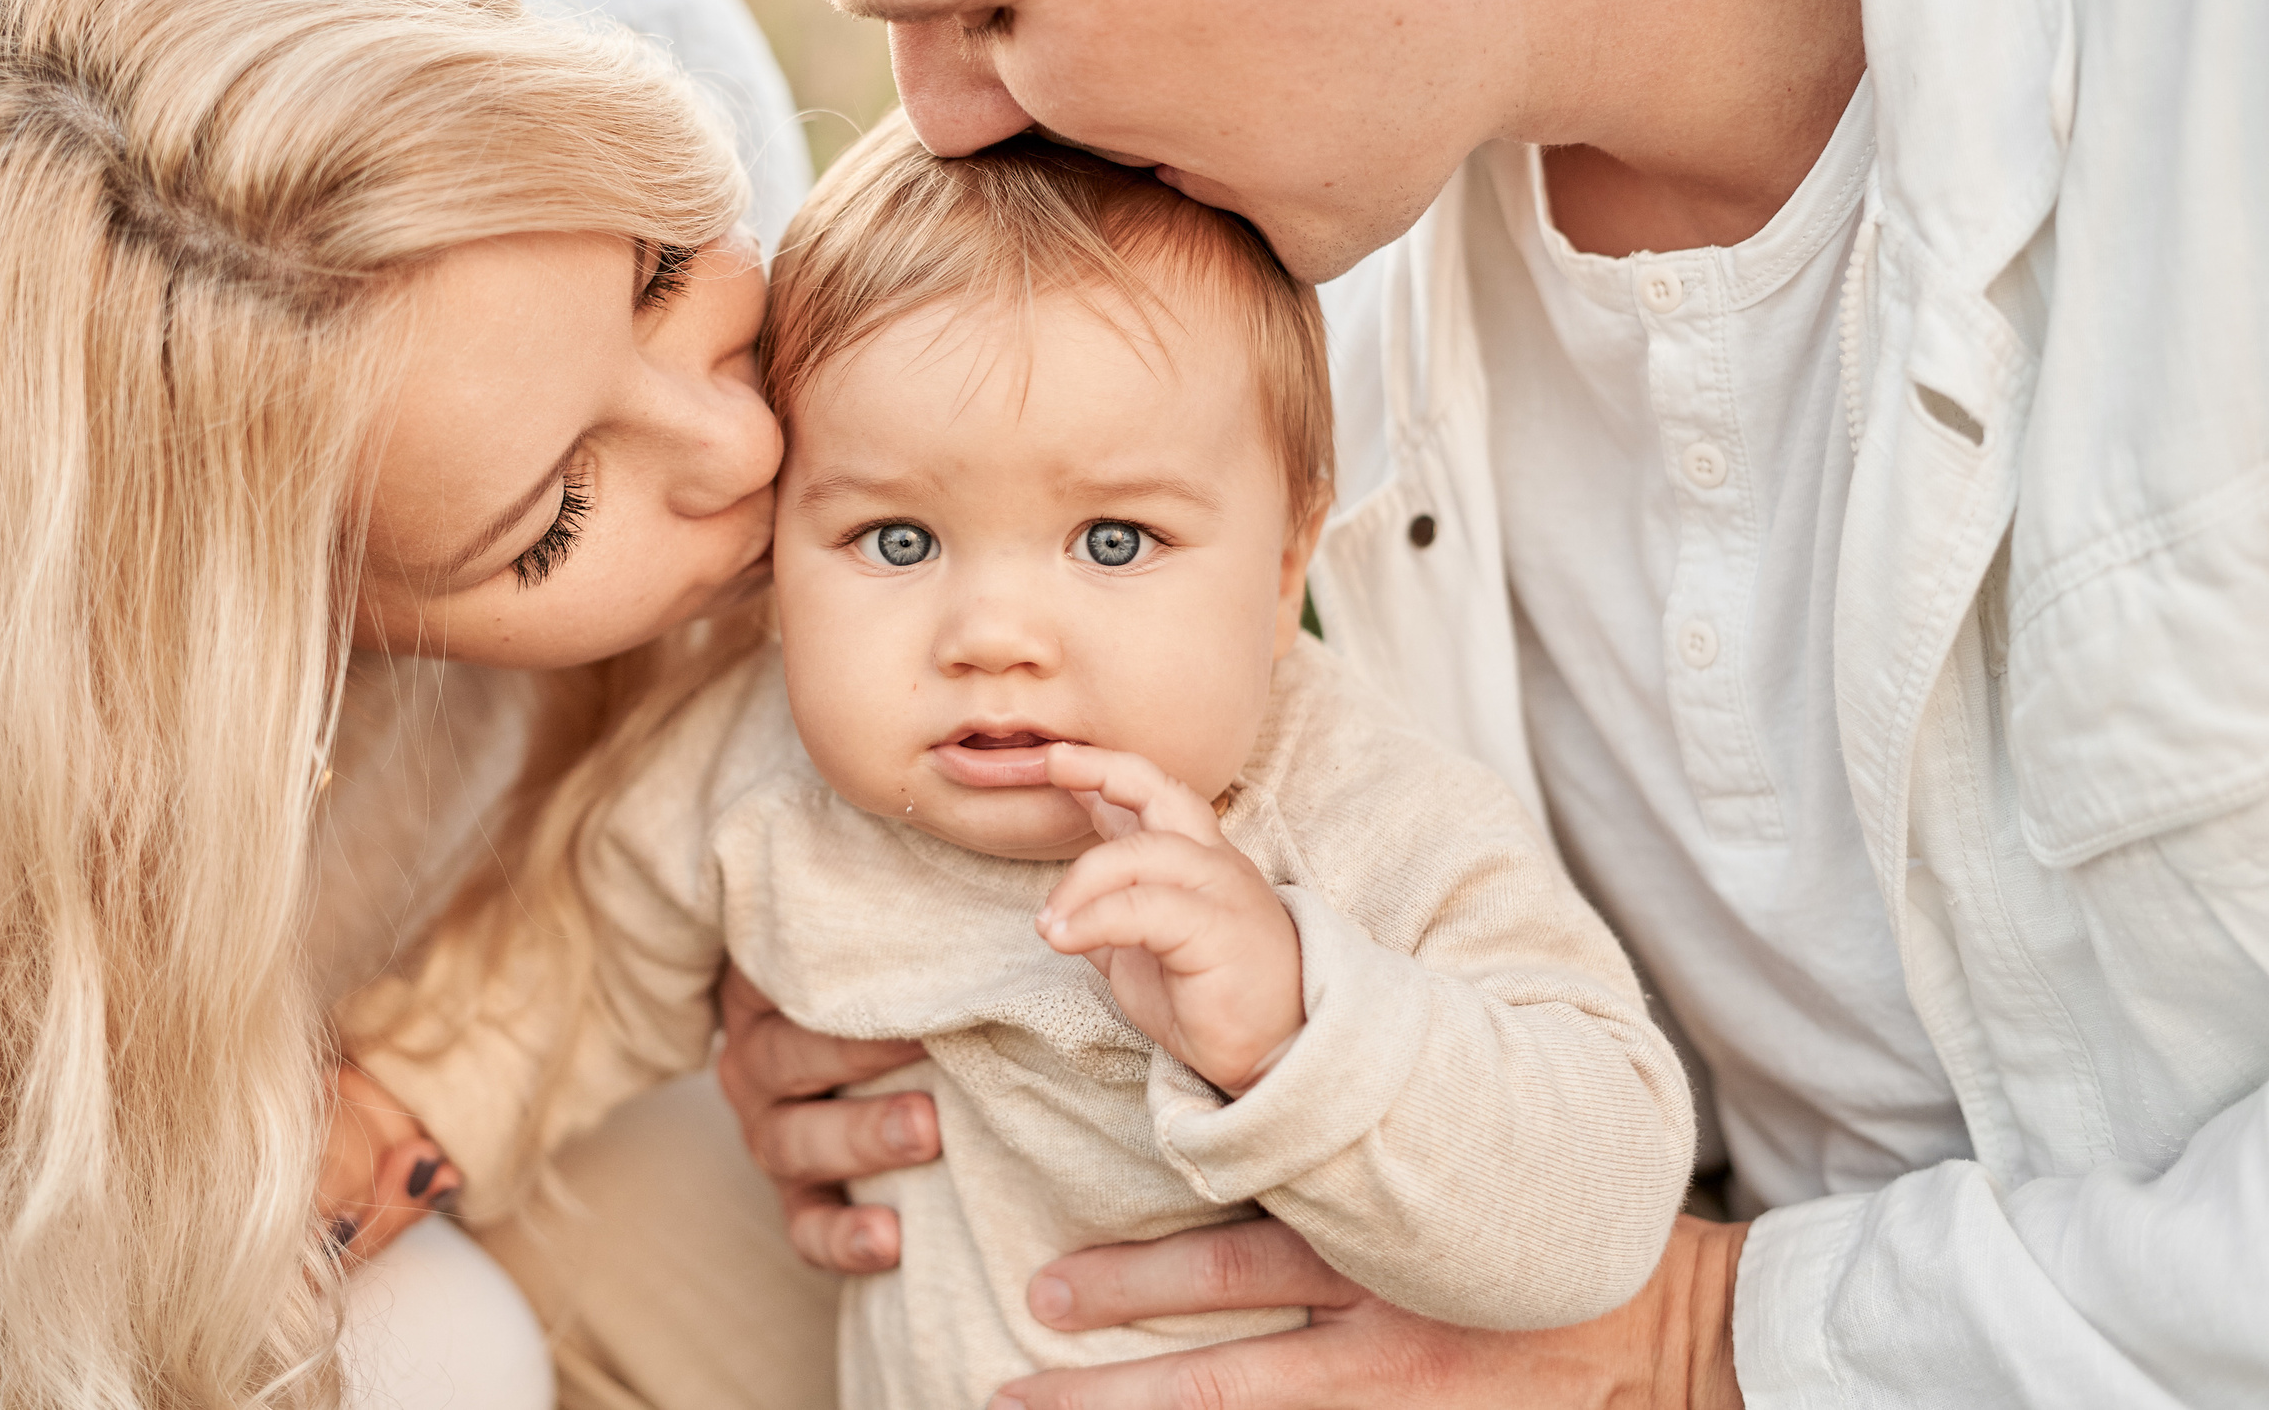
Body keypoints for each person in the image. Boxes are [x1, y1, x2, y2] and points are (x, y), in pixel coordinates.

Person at [540, 0, 2269, 1406]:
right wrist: (895, 1029)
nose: (943, 121)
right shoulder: (1287, 183)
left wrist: (1716, 1337)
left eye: (989, 5)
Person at [358, 114, 1692, 1406]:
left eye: (1113, 541)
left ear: (1287, 563)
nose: (992, 637)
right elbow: (578, 953)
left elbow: (1607, 1192)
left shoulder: (1352, 819)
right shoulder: (757, 775)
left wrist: (1300, 1025)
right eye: (896, 540)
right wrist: (403, 1098)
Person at [0, 0, 811, 1408]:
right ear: (274, 640)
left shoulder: (633, 39)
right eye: (551, 522)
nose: (744, 448)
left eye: (666, 276)